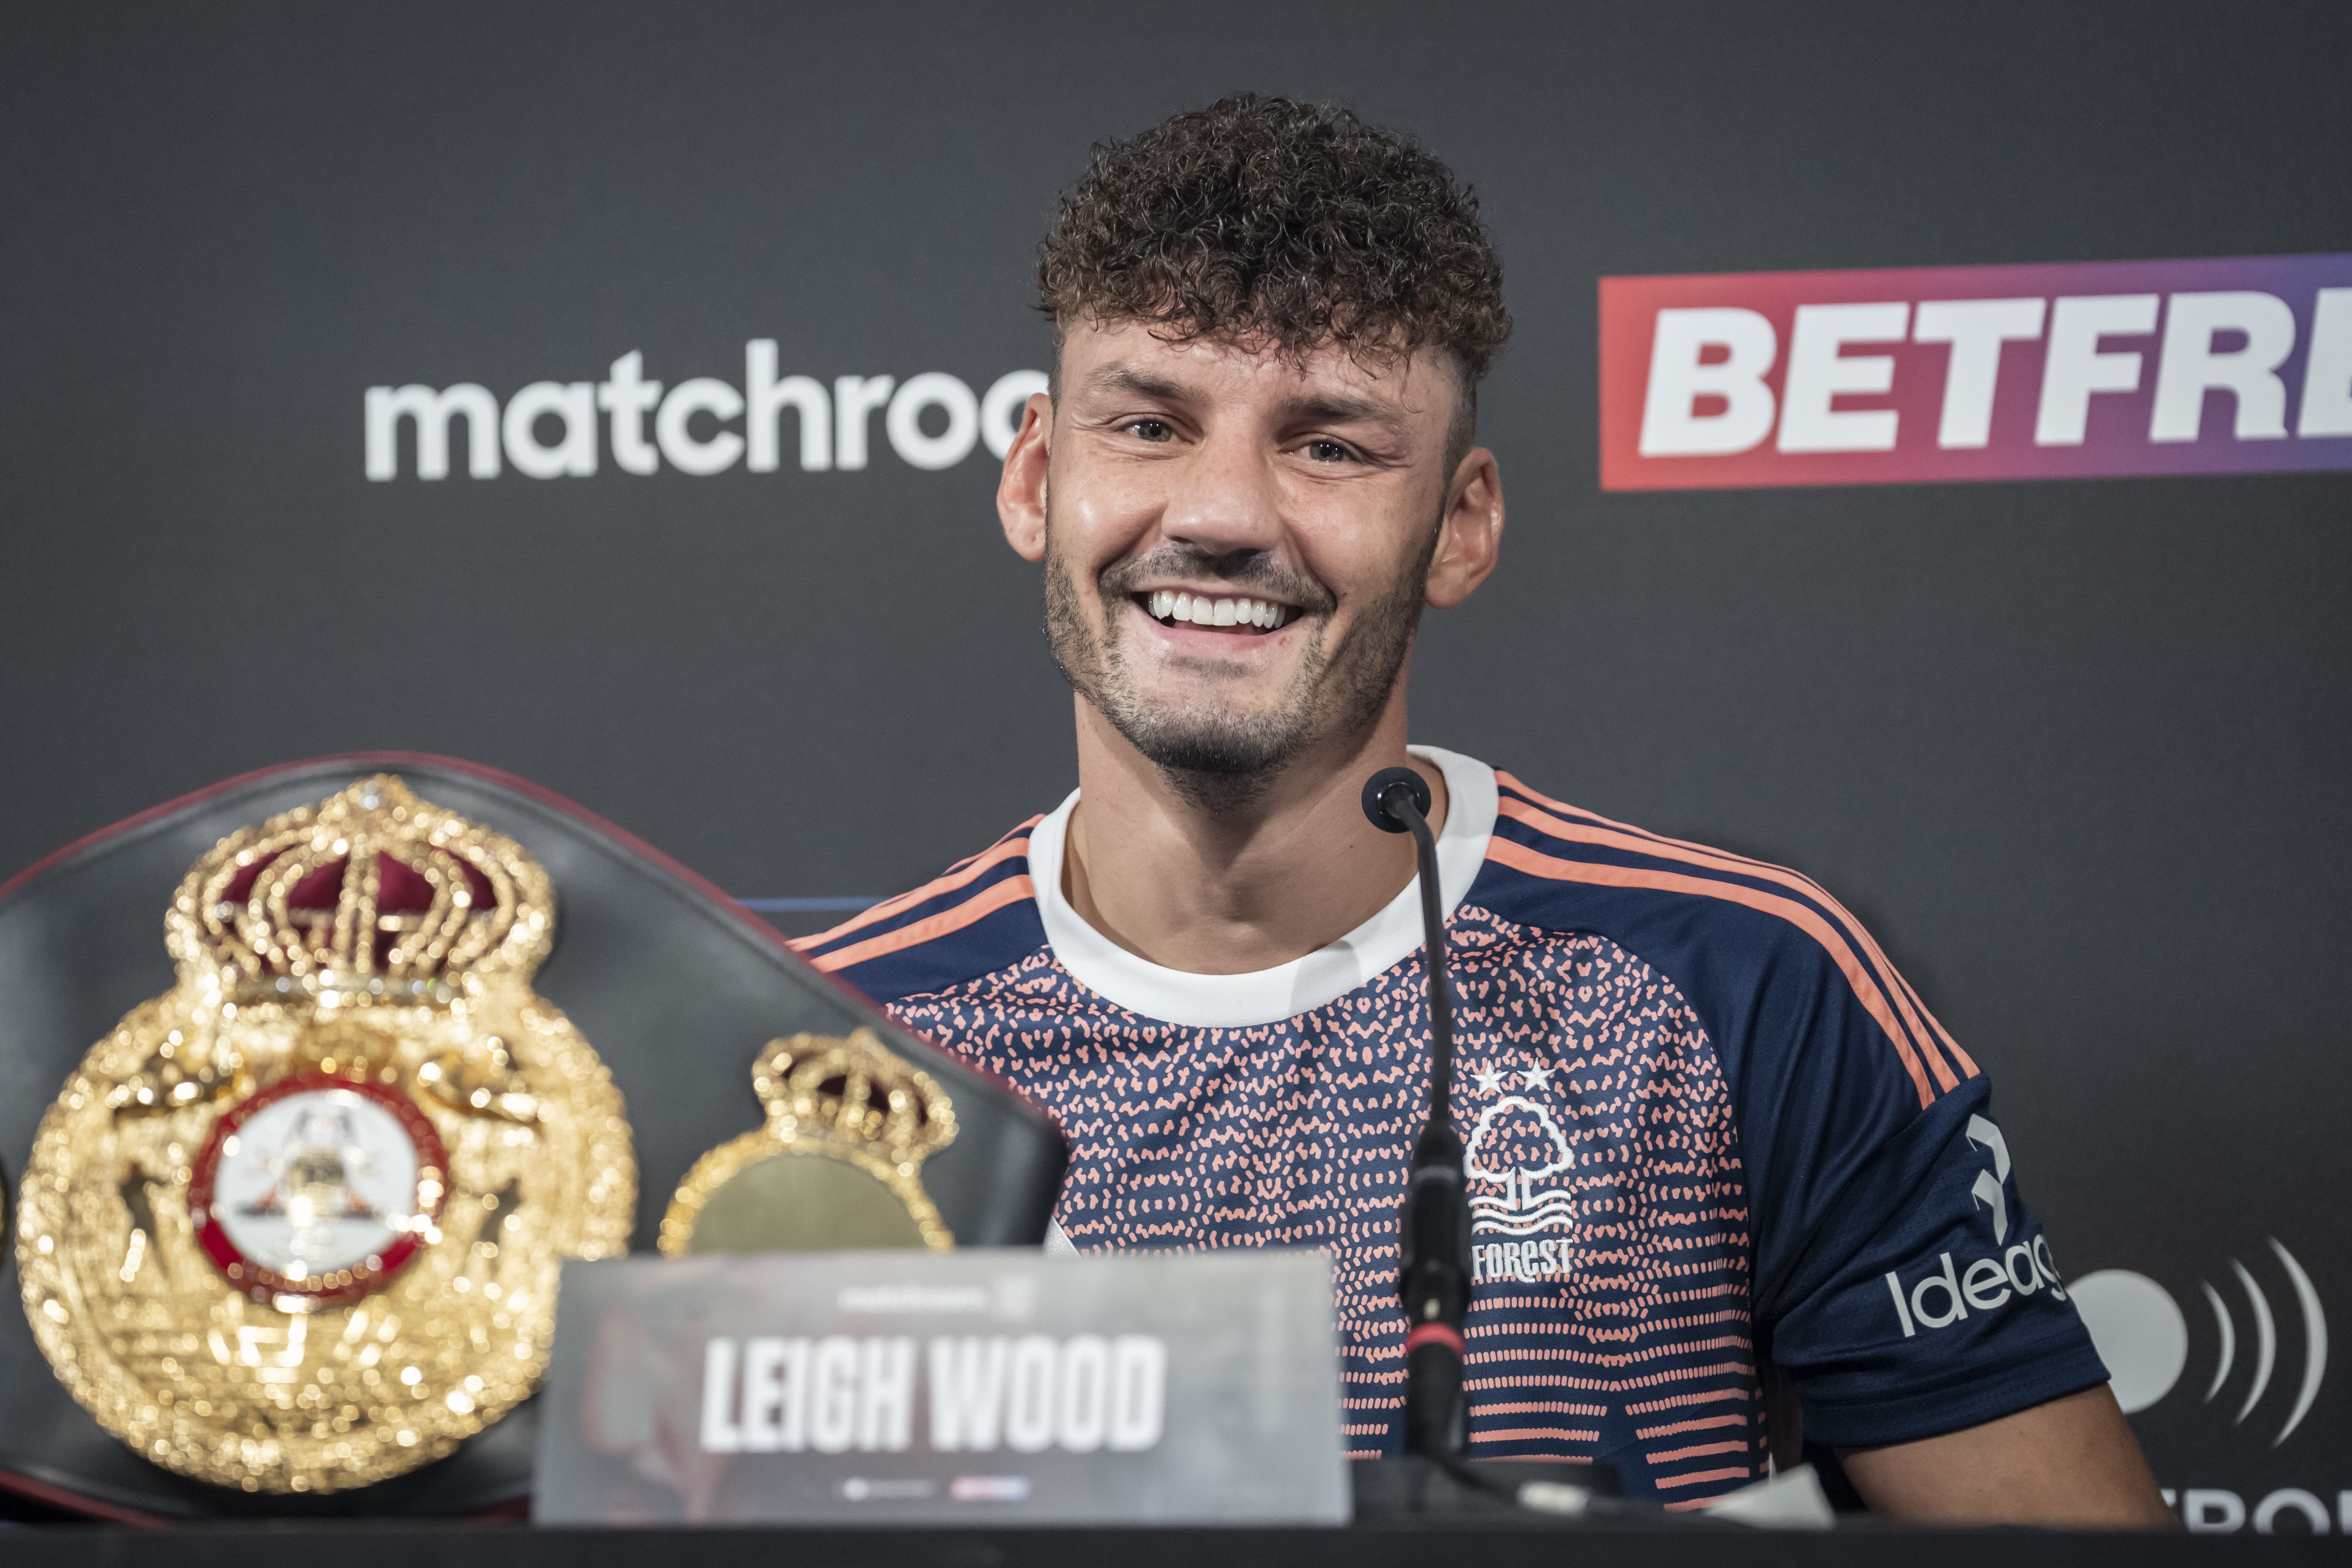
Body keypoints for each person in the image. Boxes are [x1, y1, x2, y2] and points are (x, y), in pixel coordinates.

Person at [798, 95, 2171, 1525]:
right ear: (1036, 477)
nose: (1219, 512)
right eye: (1147, 424)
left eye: (1328, 446)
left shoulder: (1745, 980)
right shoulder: (836, 1057)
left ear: (1460, 528)